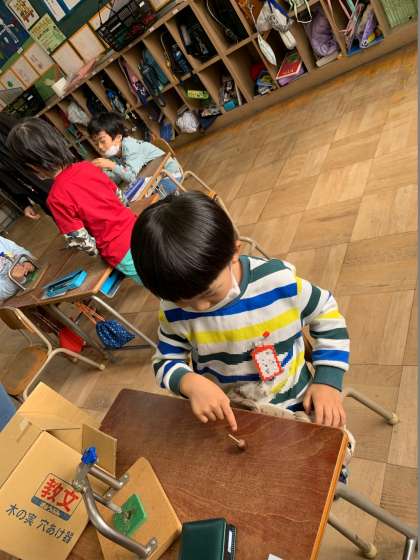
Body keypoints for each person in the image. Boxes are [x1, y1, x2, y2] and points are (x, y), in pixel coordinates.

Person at [131, 192, 354, 478]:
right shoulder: (174, 310)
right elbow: (165, 361)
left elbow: (326, 312)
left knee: (322, 470)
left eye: (209, 293)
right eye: (184, 301)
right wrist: (189, 382)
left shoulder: (277, 282)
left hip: (295, 398)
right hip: (234, 410)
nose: (199, 308)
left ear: (234, 252)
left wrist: (328, 380)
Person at [6, 118, 141, 283]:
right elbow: (121, 198)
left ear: (32, 167)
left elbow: (81, 241)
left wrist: (97, 251)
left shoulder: (55, 198)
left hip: (119, 251)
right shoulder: (88, 166)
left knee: (157, 284)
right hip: (139, 229)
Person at [87, 112, 182, 194]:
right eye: (96, 143)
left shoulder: (130, 147)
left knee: (143, 203)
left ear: (118, 137)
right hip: (153, 178)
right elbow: (118, 178)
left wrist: (111, 165)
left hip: (171, 176)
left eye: (102, 141)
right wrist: (102, 175)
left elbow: (131, 177)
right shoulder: (113, 156)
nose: (99, 147)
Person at [0, 113, 52, 220]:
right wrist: (24, 204)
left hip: (54, 180)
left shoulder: (6, 125)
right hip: (42, 196)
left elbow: (39, 142)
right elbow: (4, 181)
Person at [0, 235, 34, 301]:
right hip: (12, 297)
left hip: (29, 276)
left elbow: (17, 250)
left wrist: (26, 261)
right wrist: (15, 280)